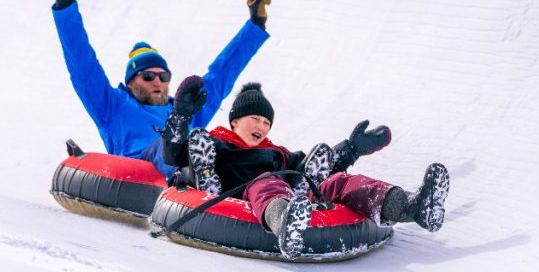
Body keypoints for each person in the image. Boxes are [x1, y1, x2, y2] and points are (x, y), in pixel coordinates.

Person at [161, 79, 450, 259]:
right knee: (266, 181)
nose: (261, 126)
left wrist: (351, 148)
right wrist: (181, 115)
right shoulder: (217, 144)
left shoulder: (276, 152)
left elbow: (316, 171)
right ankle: (284, 222)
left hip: (293, 195)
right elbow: (174, 154)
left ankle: (410, 206)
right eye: (255, 118)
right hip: (244, 196)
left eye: (267, 122)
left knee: (338, 181)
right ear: (235, 120)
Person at [51, 0, 273, 177]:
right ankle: (187, 170)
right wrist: (65, 6)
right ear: (130, 83)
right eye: (148, 76)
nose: (157, 81)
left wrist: (256, 24)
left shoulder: (186, 109)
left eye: (163, 76)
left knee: (215, 141)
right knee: (172, 139)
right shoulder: (112, 105)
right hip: (136, 172)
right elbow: (83, 65)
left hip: (185, 172)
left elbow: (222, 73)